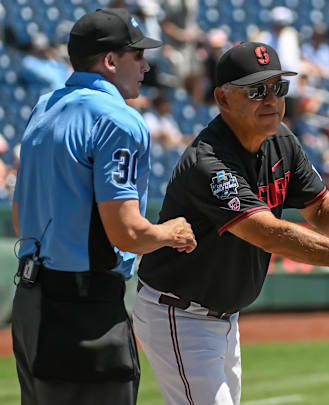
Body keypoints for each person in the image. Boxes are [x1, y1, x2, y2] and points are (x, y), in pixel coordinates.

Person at [132, 42, 329, 405]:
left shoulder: (280, 139)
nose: (271, 99)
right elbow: (269, 234)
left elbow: (320, 206)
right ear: (223, 98)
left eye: (279, 87)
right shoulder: (209, 162)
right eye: (256, 90)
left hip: (224, 317)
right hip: (179, 313)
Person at [11, 8, 197, 405]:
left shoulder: (45, 108)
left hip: (30, 304)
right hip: (83, 308)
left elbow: (18, 214)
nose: (146, 66)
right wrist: (171, 233)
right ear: (111, 61)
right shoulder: (118, 119)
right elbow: (126, 233)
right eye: (137, 56)